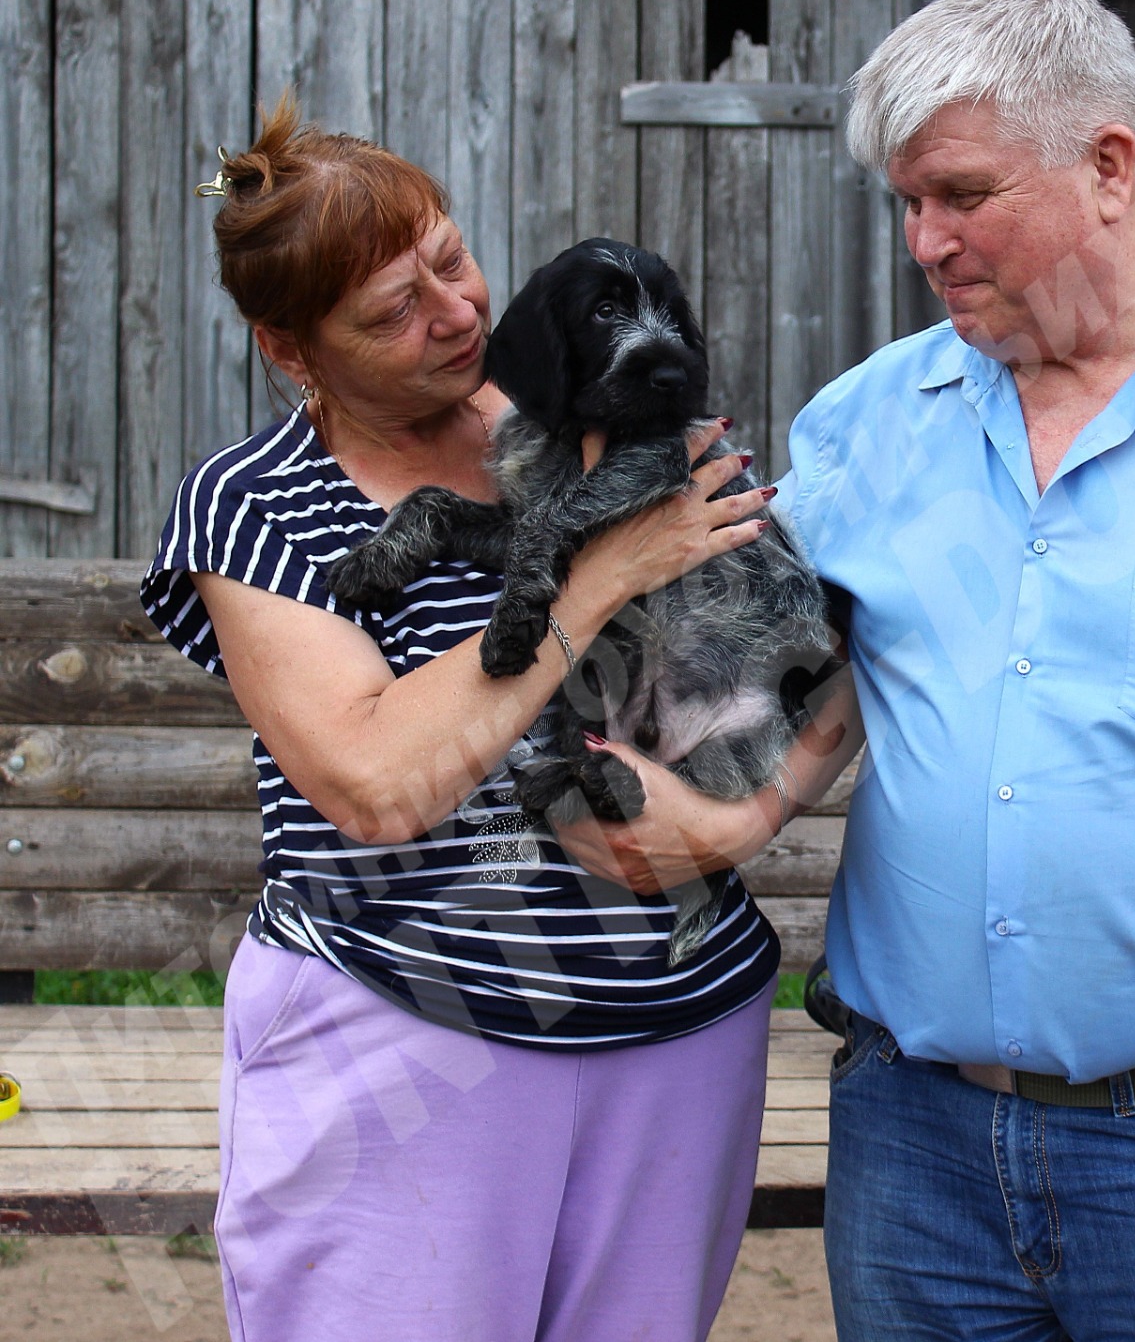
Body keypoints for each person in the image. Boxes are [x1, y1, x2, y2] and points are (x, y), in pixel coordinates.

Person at [573, 0, 1135, 1342]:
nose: (924, 240)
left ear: (1110, 167)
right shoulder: (867, 423)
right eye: (906, 202)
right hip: (912, 1144)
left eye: (960, 194)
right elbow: (757, 685)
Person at [141, 96, 795, 1342]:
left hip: (678, 1026)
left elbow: (807, 656)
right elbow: (378, 783)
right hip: (404, 1045)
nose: (454, 314)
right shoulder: (255, 504)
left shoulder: (606, 416)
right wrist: (598, 576)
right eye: (393, 310)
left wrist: (738, 821)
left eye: (450, 260)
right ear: (291, 349)